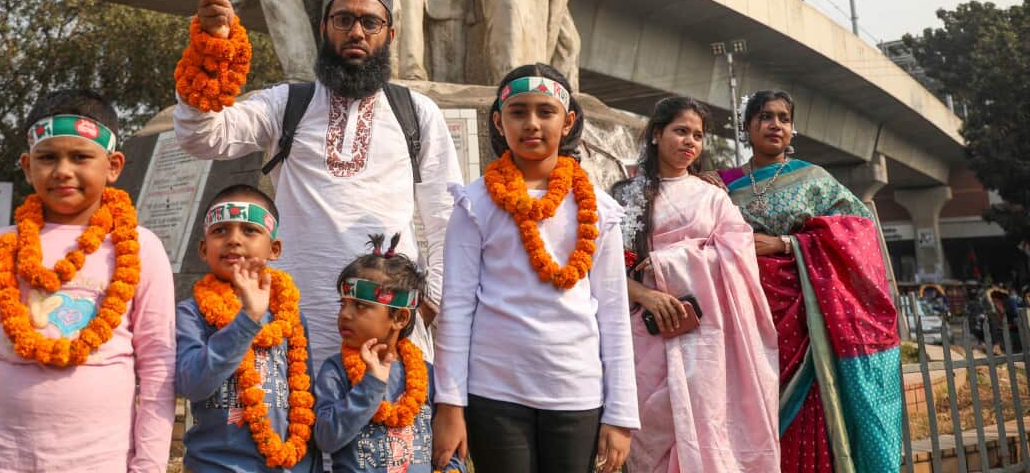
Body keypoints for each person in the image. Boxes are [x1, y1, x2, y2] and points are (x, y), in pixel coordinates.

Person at [173, 0, 462, 362]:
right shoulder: (286, 103)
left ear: (390, 34)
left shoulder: (416, 113)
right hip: (293, 324)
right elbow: (203, 137)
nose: (356, 32)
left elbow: (447, 219)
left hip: (389, 332)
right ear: (324, 29)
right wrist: (213, 49)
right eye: (343, 20)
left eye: (370, 22)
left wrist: (424, 310)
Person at [0, 89, 176, 472]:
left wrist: (149, 466)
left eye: (80, 157)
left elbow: (158, 366)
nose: (62, 170)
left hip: (98, 461)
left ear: (113, 166)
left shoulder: (141, 248)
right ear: (28, 167)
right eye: (47, 158)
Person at [433, 63, 638, 473]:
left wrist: (621, 414)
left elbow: (614, 314)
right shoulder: (476, 203)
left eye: (546, 111)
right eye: (518, 111)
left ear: (568, 122)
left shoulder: (597, 207)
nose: (532, 123)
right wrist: (450, 405)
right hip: (494, 392)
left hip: (576, 393)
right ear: (498, 120)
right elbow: (455, 308)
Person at [716, 90, 902, 472]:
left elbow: (860, 230)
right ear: (747, 127)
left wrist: (787, 243)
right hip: (748, 318)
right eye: (765, 117)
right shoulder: (724, 187)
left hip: (810, 320)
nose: (775, 125)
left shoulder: (814, 179)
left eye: (783, 118)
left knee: (815, 411)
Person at [612, 97, 780, 472]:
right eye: (680, 131)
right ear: (657, 134)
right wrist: (648, 294)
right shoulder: (626, 195)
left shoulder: (713, 197)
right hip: (645, 334)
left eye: (698, 135)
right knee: (649, 436)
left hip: (704, 337)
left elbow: (739, 254)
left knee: (706, 428)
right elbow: (605, 269)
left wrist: (667, 262)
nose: (690, 141)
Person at [175, 184, 318, 472]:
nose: (234, 240)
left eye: (249, 230)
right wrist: (248, 319)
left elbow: (305, 394)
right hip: (216, 466)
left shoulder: (288, 314)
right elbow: (191, 384)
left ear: (274, 249)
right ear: (203, 249)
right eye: (220, 231)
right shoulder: (191, 313)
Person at [313, 234, 465, 473]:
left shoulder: (427, 374)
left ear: (400, 318)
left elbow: (448, 448)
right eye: (343, 304)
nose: (345, 314)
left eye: (361, 306)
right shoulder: (335, 372)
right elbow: (326, 438)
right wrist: (370, 386)